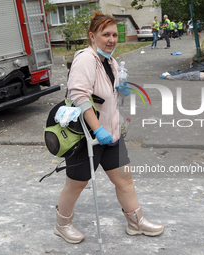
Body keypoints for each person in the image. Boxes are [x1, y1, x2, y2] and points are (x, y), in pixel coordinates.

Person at [54, 11, 165, 244]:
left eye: (114, 34)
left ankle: (136, 222)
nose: (112, 39)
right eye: (106, 34)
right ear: (92, 36)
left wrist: (120, 91)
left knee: (124, 179)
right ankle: (62, 224)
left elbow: (106, 97)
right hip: (87, 136)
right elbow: (79, 95)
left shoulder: (110, 62)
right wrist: (97, 129)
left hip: (112, 134)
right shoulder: (85, 58)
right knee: (76, 184)